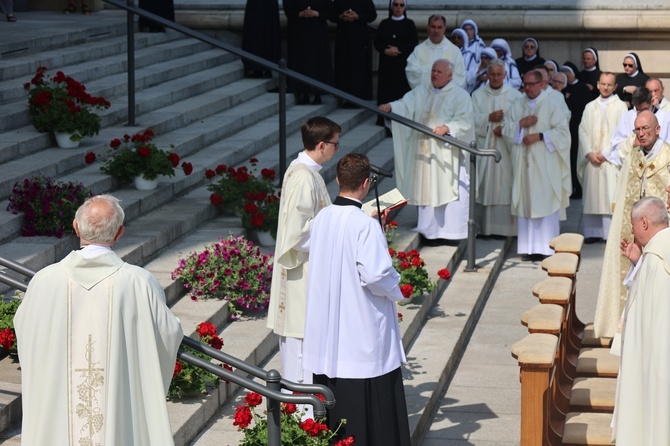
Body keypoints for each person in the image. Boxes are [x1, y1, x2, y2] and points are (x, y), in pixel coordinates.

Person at [14, 195, 183, 446]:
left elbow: (26, 332)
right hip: (118, 409)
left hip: (57, 409)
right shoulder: (138, 282)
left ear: (76, 227)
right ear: (120, 233)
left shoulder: (44, 281)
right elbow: (168, 335)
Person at [303, 153, 411, 446]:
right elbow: (375, 276)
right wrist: (396, 286)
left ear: (337, 180)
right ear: (366, 184)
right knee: (369, 412)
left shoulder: (322, 217)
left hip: (327, 330)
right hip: (359, 330)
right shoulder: (365, 225)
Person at [266, 117, 341, 408]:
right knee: (299, 355)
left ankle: (307, 416)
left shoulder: (309, 173)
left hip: (309, 273)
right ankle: (302, 421)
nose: (337, 149)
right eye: (334, 144)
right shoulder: (302, 177)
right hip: (300, 277)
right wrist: (334, 235)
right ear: (321, 144)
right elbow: (297, 236)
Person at [592, 111, 670, 339]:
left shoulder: (668, 157)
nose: (642, 134)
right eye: (637, 129)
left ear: (658, 129)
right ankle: (624, 332)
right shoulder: (633, 157)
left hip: (659, 237)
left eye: (646, 129)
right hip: (631, 231)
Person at [380, 59, 474, 243]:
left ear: (450, 75)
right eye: (433, 70)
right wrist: (392, 106)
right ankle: (427, 229)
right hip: (423, 152)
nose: (435, 74)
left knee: (444, 189)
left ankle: (449, 233)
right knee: (426, 188)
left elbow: (466, 121)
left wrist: (448, 127)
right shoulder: (422, 91)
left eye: (439, 72)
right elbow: (405, 104)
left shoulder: (460, 96)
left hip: (445, 154)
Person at [611, 196, 670, 445]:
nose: (632, 230)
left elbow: (660, 324)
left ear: (644, 222)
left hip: (656, 368)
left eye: (633, 224)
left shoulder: (657, 261)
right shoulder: (656, 253)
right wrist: (638, 262)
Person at [502, 70, 571, 261]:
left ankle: (547, 247)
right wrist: (521, 124)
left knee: (545, 202)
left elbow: (563, 133)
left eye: (532, 84)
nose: (527, 88)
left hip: (545, 164)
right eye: (525, 84)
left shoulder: (552, 104)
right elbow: (506, 127)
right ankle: (529, 249)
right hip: (524, 164)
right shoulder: (518, 104)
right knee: (526, 203)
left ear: (541, 84)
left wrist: (540, 136)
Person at [472, 59, 523, 237]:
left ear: (505, 75)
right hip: (485, 147)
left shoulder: (515, 96)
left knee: (505, 186)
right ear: (487, 74)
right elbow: (470, 120)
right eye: (491, 74)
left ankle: (505, 229)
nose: (495, 78)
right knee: (486, 185)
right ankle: (485, 229)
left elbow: (521, 121)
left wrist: (506, 129)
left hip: (506, 149)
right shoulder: (477, 95)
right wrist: (488, 118)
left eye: (498, 74)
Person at [577, 72, 628, 243]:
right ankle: (592, 233)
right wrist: (589, 153)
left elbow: (622, 134)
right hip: (592, 159)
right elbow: (583, 131)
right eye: (603, 84)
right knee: (592, 197)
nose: (606, 87)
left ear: (615, 87)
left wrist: (605, 153)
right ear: (598, 84)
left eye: (609, 84)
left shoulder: (621, 107)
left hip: (610, 160)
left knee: (609, 196)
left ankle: (608, 234)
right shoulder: (590, 106)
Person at [374, 0, 418, 126]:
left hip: (402, 65)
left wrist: (398, 50)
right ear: (391, 6)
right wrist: (386, 50)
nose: (398, 8)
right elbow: (377, 42)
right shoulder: (384, 23)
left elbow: (413, 43)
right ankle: (382, 118)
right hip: (386, 65)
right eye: (396, 5)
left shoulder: (409, 24)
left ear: (405, 7)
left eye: (401, 5)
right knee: (385, 92)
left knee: (400, 92)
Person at [284, 0, 334, 105]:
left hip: (318, 34)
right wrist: (300, 14)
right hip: (299, 33)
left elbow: (330, 11)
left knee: (318, 64)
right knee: (302, 63)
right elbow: (288, 9)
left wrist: (317, 14)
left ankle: (317, 94)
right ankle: (304, 93)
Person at [610, 87, 670, 166]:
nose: (642, 113)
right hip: (633, 165)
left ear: (651, 101)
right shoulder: (627, 117)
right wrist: (632, 143)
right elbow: (616, 145)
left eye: (645, 109)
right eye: (638, 110)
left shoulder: (666, 118)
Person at [331, 0, 377, 101]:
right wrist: (341, 16)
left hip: (360, 40)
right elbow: (331, 14)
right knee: (344, 68)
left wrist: (358, 16)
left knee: (359, 68)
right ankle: (343, 96)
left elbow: (372, 15)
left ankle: (360, 95)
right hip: (343, 39)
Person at [405, 15, 466, 89]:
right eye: (433, 27)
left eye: (439, 27)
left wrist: (443, 88)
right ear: (428, 28)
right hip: (424, 96)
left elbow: (460, 76)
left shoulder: (455, 51)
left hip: (447, 97)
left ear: (444, 29)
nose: (436, 31)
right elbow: (411, 72)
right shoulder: (418, 50)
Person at [560, 62, 593, 199]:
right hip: (565, 129)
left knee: (576, 157)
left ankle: (578, 189)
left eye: (568, 73)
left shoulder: (582, 88)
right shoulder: (563, 89)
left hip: (577, 127)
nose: (566, 76)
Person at [241, 0, 281, 79]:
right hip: (257, 6)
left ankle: (266, 68)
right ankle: (256, 67)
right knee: (255, 31)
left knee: (267, 31)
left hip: (267, 6)